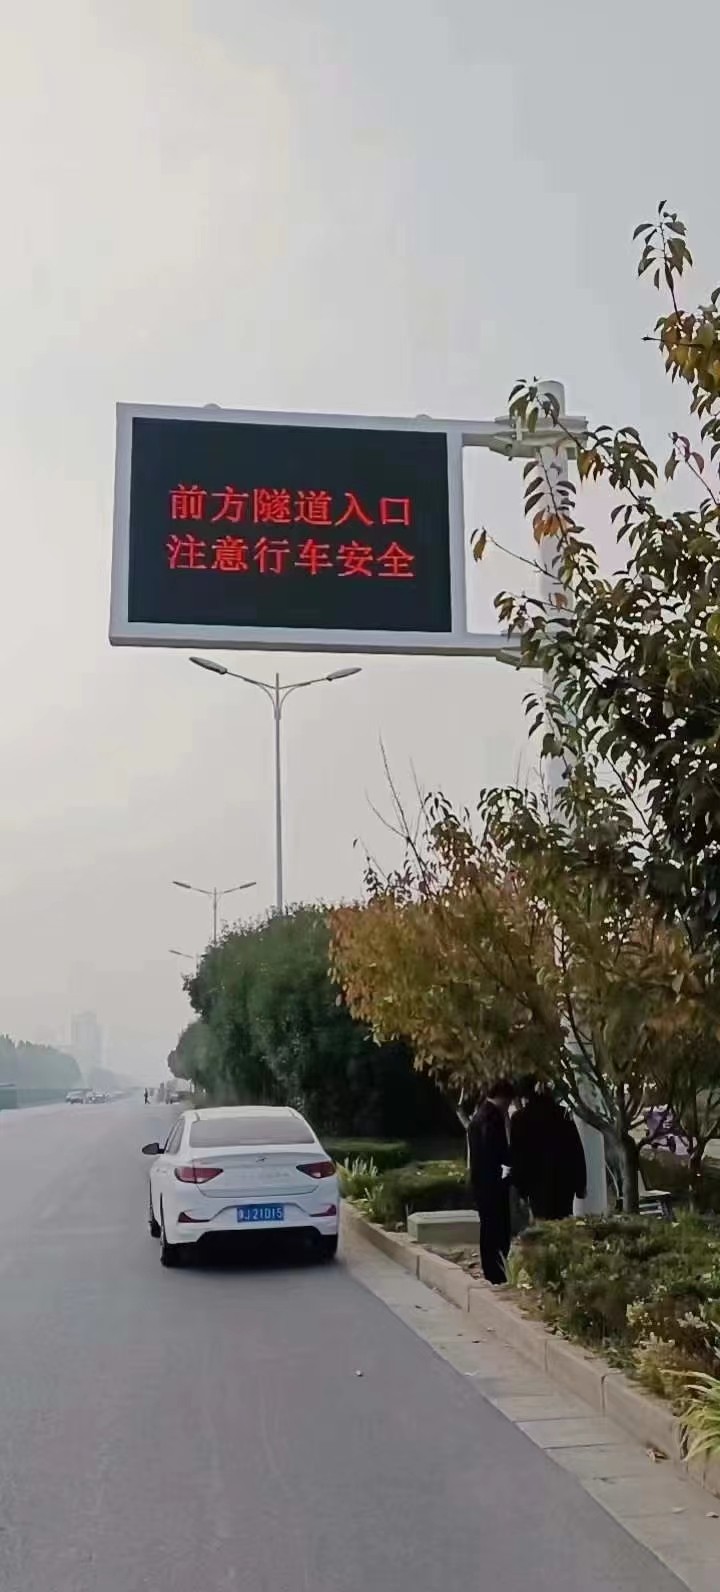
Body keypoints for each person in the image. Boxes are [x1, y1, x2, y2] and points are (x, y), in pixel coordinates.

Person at [510, 1075, 587, 1220]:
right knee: (563, 1221)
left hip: (535, 1182)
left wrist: (520, 1189)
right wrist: (580, 1184)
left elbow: (517, 1156)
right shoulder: (562, 1114)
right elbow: (576, 1150)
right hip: (564, 1181)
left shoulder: (519, 1119)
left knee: (542, 1222)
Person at [468, 1078, 514, 1284]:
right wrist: (506, 1172)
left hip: (481, 1184)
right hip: (493, 1184)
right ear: (503, 1098)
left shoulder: (478, 1116)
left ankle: (491, 1269)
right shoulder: (492, 1118)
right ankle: (496, 1271)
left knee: (487, 1228)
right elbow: (495, 1153)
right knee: (498, 1230)